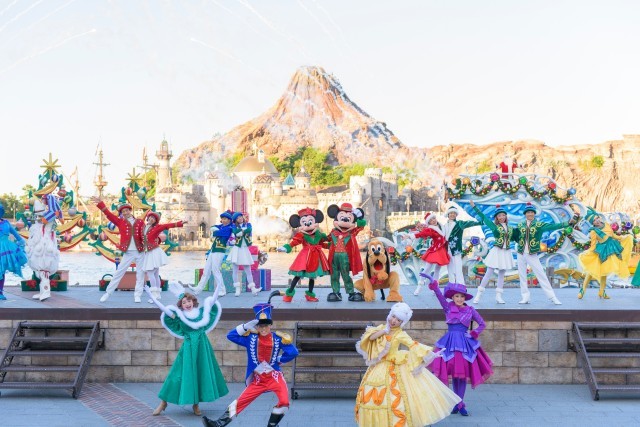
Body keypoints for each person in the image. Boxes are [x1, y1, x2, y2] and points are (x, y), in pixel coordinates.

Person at [354, 302, 461, 427]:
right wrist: (384, 331)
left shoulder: (400, 334)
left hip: (393, 365)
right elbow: (370, 338)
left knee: (396, 396)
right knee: (371, 395)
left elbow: (413, 344)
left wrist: (429, 354)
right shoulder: (381, 328)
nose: (394, 321)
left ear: (402, 322)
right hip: (379, 366)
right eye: (393, 316)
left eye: (398, 320)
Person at [202, 292, 299, 427]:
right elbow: (231, 336)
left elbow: (293, 352)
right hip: (258, 380)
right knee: (240, 402)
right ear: (257, 326)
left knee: (284, 401)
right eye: (260, 325)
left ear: (270, 325)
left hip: (274, 377)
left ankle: (272, 425)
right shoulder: (251, 338)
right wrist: (245, 327)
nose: (263, 328)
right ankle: (218, 424)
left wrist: (278, 359)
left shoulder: (277, 338)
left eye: (266, 325)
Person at [146, 283, 228, 417]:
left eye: (189, 301)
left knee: (200, 373)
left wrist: (219, 284)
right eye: (184, 302)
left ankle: (196, 405)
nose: (187, 304)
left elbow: (213, 300)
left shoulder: (201, 313)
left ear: (193, 301)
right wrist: (152, 297)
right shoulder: (179, 317)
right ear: (181, 305)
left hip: (202, 348)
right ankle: (163, 402)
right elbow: (165, 310)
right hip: (188, 349)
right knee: (176, 375)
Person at [427, 277, 493, 416]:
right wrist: (435, 286)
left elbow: (482, 324)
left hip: (464, 344)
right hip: (449, 343)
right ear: (452, 297)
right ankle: (457, 403)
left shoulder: (470, 310)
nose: (459, 298)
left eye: (462, 296)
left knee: (461, 376)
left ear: (465, 298)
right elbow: (440, 297)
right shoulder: (448, 307)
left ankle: (460, 403)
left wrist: (474, 333)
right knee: (451, 375)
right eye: (457, 296)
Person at [513, 203, 574, 305]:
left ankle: (552, 297)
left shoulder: (539, 225)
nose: (530, 214)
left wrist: (567, 223)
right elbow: (515, 236)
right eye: (528, 212)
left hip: (531, 254)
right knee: (522, 276)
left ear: (534, 214)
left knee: (541, 274)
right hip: (520, 253)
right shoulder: (520, 225)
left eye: (532, 212)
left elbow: (553, 226)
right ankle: (525, 297)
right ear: (525, 214)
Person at [93, 198, 146, 303]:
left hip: (140, 251)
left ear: (130, 211)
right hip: (128, 252)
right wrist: (100, 203)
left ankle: (138, 295)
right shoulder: (120, 222)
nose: (125, 213)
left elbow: (145, 234)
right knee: (119, 272)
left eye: (127, 210)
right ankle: (108, 293)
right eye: (123, 212)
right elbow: (109, 214)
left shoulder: (140, 222)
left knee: (140, 274)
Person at [277, 208, 329, 302]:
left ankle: (310, 295)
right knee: (298, 275)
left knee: (312, 277)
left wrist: (332, 245)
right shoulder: (301, 235)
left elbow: (322, 243)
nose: (308, 224)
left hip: (316, 257)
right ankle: (289, 294)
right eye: (304, 222)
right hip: (305, 257)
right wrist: (286, 247)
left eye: (310, 221)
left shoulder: (319, 234)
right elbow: (294, 242)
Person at [469, 200, 516, 304]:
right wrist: (474, 207)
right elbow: (483, 217)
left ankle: (499, 296)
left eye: (503, 215)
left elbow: (517, 237)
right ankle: (478, 295)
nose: (502, 217)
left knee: (502, 274)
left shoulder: (510, 228)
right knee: (489, 272)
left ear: (506, 216)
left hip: (506, 252)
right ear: (497, 218)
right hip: (497, 251)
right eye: (499, 216)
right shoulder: (494, 227)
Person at [578, 209, 632, 299]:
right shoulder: (593, 231)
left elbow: (613, 235)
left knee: (604, 272)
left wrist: (622, 238)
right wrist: (587, 253)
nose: (597, 221)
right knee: (590, 272)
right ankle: (582, 290)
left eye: (597, 218)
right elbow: (593, 245)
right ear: (592, 223)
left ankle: (602, 291)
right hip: (600, 251)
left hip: (610, 249)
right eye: (594, 220)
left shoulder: (606, 224)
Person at [139, 210, 185, 303]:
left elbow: (166, 226)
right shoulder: (144, 227)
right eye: (151, 217)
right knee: (155, 274)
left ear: (155, 221)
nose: (152, 219)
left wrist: (179, 223)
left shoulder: (156, 227)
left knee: (150, 274)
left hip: (154, 252)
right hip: (148, 252)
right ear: (148, 218)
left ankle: (154, 295)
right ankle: (158, 294)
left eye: (154, 218)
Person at [325, 203, 367, 302]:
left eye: (348, 219)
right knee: (334, 275)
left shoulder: (352, 232)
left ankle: (351, 293)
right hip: (333, 258)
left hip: (345, 258)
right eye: (341, 218)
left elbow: (360, 226)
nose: (344, 221)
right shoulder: (333, 232)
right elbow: (325, 239)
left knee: (346, 275)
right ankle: (336, 292)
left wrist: (359, 218)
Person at [25, 194, 62, 301]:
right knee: (40, 270)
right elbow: (33, 225)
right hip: (39, 244)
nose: (37, 216)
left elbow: (45, 222)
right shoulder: (42, 217)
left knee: (44, 268)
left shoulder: (49, 216)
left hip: (45, 245)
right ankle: (43, 291)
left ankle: (45, 291)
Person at [190, 210, 234, 297]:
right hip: (213, 250)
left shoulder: (229, 228)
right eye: (222, 219)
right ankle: (199, 288)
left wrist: (215, 230)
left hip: (220, 251)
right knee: (206, 270)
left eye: (225, 219)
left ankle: (222, 290)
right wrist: (215, 229)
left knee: (215, 270)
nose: (223, 220)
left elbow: (217, 232)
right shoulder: (221, 226)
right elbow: (213, 227)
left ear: (229, 220)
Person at [411, 212, 450, 295]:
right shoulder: (431, 229)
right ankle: (419, 286)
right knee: (427, 268)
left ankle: (435, 288)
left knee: (437, 270)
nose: (433, 220)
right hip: (434, 250)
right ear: (429, 223)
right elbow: (423, 233)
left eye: (434, 218)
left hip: (442, 250)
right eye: (431, 220)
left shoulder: (441, 227)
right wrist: (412, 236)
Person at [442, 205, 480, 286]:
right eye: (451, 213)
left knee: (458, 267)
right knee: (449, 267)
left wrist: (480, 222)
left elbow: (470, 223)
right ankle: (451, 283)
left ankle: (460, 284)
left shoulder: (459, 223)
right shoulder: (444, 226)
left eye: (454, 213)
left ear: (456, 215)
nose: (452, 214)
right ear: (448, 214)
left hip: (456, 249)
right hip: (447, 249)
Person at [0, 203, 27, 301]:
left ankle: (0, 292)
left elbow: (15, 234)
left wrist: (21, 242)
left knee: (1, 270)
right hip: (4, 249)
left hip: (6, 248)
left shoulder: (6, 223)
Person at [228, 212, 259, 297]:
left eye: (241, 216)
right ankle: (237, 289)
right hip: (237, 249)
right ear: (235, 220)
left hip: (245, 249)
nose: (240, 218)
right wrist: (242, 231)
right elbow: (235, 232)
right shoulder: (234, 226)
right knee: (235, 270)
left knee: (248, 270)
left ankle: (253, 289)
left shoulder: (248, 224)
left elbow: (249, 230)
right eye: (238, 218)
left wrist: (240, 232)